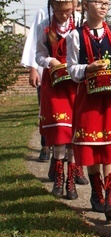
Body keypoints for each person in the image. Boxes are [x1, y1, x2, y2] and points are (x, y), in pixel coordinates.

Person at [66, 0, 111, 222]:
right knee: (91, 145)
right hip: (89, 97)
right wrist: (88, 68)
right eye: (99, 2)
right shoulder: (75, 36)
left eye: (107, 3)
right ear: (86, 4)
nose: (103, 7)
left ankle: (110, 197)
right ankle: (96, 192)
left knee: (110, 144)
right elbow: (72, 69)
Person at [35, 0, 83, 200]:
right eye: (60, 12)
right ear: (52, 8)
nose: (64, 15)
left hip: (74, 83)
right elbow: (38, 55)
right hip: (54, 84)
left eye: (68, 11)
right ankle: (59, 177)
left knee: (73, 132)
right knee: (59, 130)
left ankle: (71, 180)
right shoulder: (44, 27)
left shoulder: (80, 24)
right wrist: (49, 61)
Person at [21, 6, 51, 164]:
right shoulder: (43, 13)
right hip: (46, 70)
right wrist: (33, 68)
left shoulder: (78, 13)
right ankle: (46, 144)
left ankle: (68, 149)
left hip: (70, 73)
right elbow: (33, 41)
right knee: (45, 109)